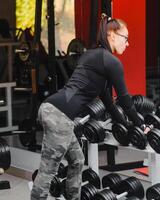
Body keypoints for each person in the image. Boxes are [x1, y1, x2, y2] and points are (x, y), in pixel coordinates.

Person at [31, 13, 143, 200]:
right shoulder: (111, 61)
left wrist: (126, 125)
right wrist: (140, 124)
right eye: (126, 38)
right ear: (112, 35)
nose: (128, 43)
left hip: (54, 110)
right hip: (59, 115)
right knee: (48, 169)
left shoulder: (93, 56)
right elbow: (124, 100)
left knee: (77, 160)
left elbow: (109, 102)